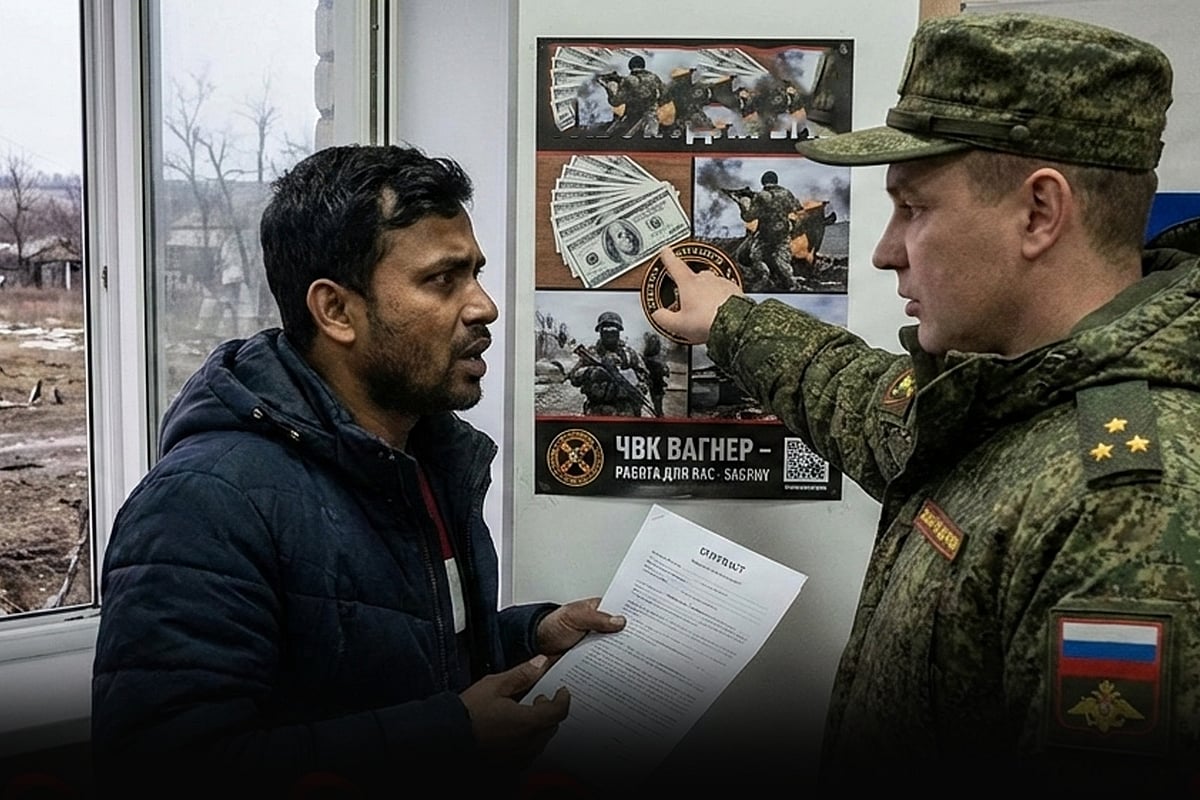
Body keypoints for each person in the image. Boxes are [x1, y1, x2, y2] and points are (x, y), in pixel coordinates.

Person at [650, 11, 1199, 795]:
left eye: (914, 209)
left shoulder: (1127, 507)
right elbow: (856, 398)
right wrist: (729, 319)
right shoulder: (1012, 397)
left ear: (1039, 214)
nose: (884, 251)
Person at [91, 144, 626, 798]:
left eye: (476, 273)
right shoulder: (202, 505)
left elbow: (403, 648)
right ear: (336, 311)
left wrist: (530, 636)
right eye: (444, 279)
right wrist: (448, 739)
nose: (484, 306)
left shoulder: (423, 459)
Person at [568, 311, 652, 417]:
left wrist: (637, 384)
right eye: (605, 329)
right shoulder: (591, 353)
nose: (609, 333)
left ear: (619, 331)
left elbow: (645, 376)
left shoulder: (629, 354)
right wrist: (590, 372)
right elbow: (573, 378)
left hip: (626, 410)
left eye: (613, 329)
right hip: (596, 410)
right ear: (600, 331)